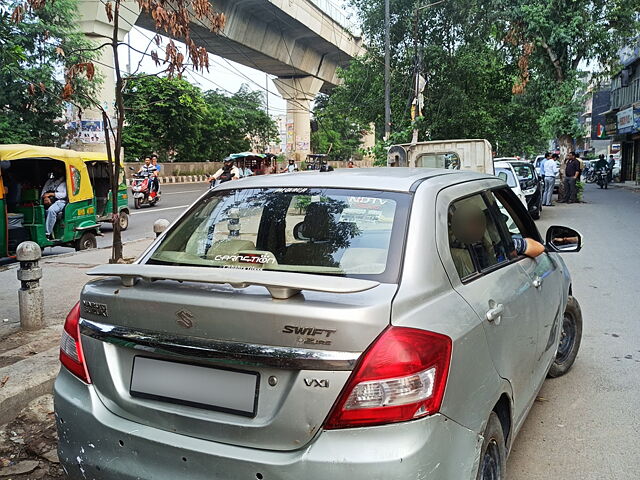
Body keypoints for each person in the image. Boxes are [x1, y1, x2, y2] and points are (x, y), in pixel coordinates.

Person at [41, 164, 67, 240]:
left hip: (60, 201)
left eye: (58, 169)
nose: (56, 171)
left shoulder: (65, 182)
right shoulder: (49, 181)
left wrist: (52, 194)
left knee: (51, 211)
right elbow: (43, 191)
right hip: (48, 200)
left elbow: (64, 195)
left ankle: (47, 234)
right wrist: (45, 197)